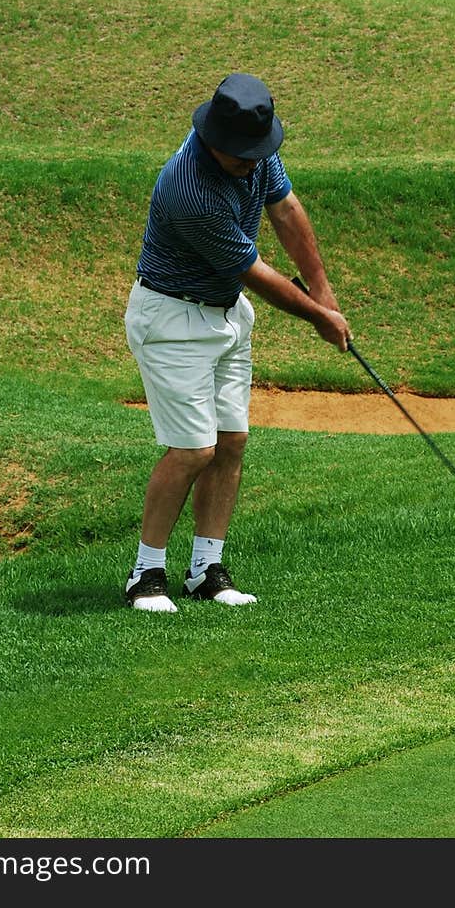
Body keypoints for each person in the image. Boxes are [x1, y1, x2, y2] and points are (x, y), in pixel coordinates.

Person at [123, 71, 351, 613]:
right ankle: (144, 575)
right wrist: (318, 317)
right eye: (241, 156)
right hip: (172, 321)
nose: (252, 164)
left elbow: (287, 210)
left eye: (257, 153)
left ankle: (205, 569)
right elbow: (255, 272)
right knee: (193, 449)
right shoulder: (189, 188)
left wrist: (324, 290)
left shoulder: (250, 145)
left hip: (225, 315)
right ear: (212, 139)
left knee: (231, 442)